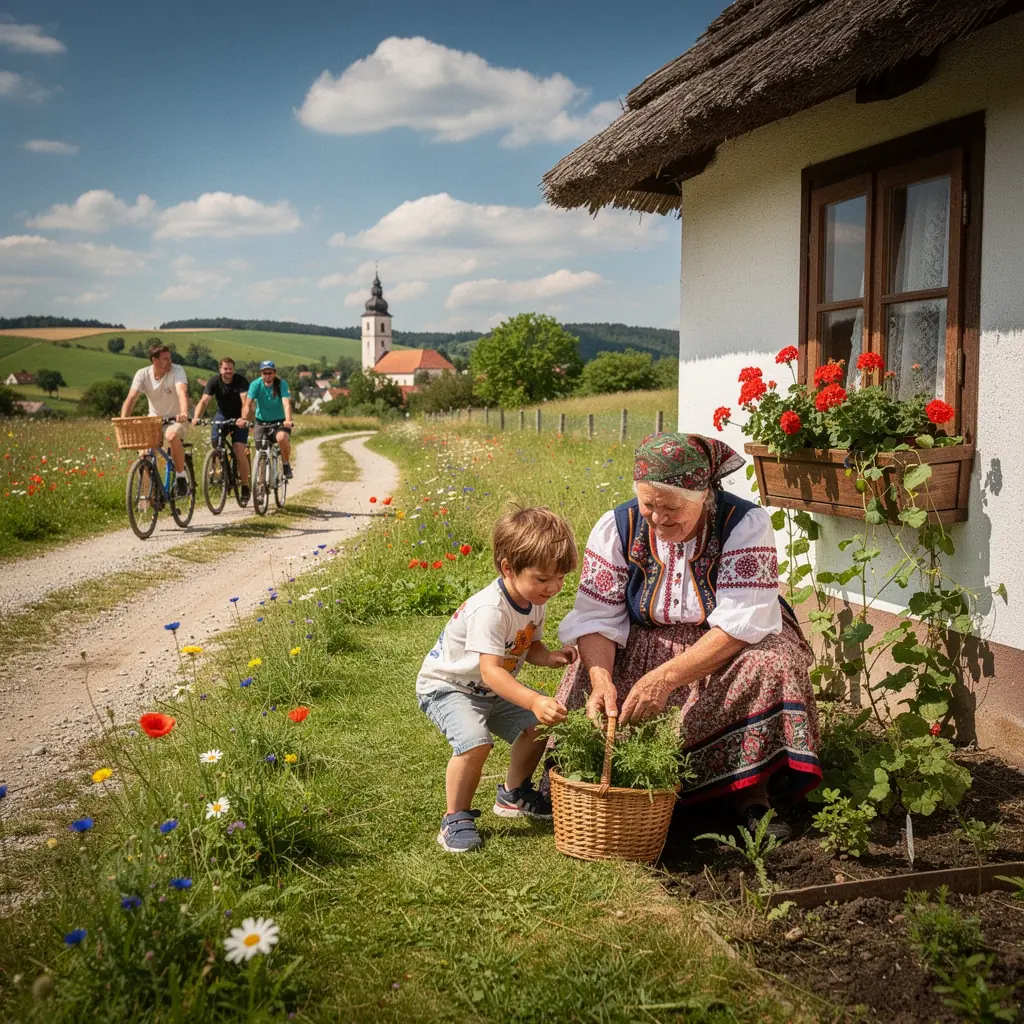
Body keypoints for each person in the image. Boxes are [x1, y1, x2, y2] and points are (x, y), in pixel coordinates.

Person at [556, 433, 821, 840]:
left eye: (671, 507)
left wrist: (664, 679)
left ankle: (749, 793)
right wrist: (601, 679)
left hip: (725, 643)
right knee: (585, 678)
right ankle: (607, 784)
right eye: (649, 506)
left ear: (703, 496)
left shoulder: (744, 524)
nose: (658, 519)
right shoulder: (617, 526)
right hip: (645, 637)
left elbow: (739, 625)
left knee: (772, 665)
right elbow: (596, 618)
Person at [417, 506, 579, 854]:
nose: (553, 587)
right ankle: (455, 818)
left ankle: (513, 793)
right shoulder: (490, 610)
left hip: (490, 687)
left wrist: (547, 657)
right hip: (449, 687)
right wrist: (534, 698)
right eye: (543, 578)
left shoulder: (534, 599)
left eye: (560, 578)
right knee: (476, 742)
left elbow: (528, 644)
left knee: (540, 726)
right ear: (508, 567)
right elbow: (491, 669)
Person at [121, 342, 190, 496]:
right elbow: (131, 398)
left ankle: (180, 476)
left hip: (176, 419)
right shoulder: (143, 374)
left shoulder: (177, 370)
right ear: (154, 360)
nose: (169, 361)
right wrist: (123, 420)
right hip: (154, 420)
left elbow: (181, 393)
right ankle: (147, 495)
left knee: (171, 436)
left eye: (170, 357)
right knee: (144, 454)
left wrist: (184, 412)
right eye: (165, 359)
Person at [192, 357, 251, 502]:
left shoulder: (241, 381)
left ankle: (245, 486)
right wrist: (196, 417)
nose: (228, 371)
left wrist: (243, 419)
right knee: (215, 443)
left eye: (231, 368)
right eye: (225, 369)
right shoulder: (214, 382)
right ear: (220, 370)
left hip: (239, 416)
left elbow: (245, 403)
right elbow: (204, 401)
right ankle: (224, 471)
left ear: (234, 369)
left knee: (239, 450)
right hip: (222, 414)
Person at [242, 361, 293, 479]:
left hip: (279, 422)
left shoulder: (281, 384)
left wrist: (288, 420)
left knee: (281, 438)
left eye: (270, 373)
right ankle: (260, 481)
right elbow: (247, 404)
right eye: (265, 373)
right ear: (261, 374)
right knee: (260, 451)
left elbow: (286, 404)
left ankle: (285, 464)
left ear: (274, 373)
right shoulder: (255, 384)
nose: (267, 376)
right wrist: (244, 419)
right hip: (261, 422)